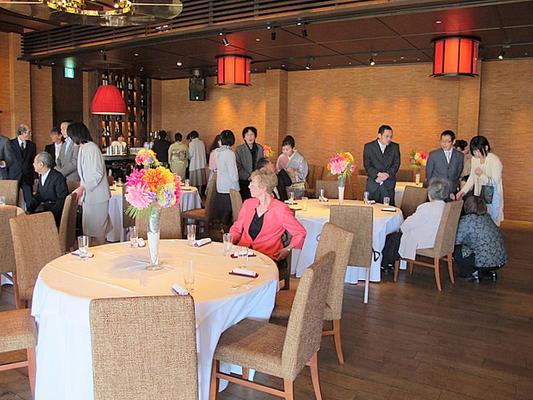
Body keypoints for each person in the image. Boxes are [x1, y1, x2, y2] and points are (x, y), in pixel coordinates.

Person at [230, 167, 306, 262]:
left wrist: (288, 249)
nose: (249, 186)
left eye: (252, 184)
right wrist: (230, 239)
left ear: (264, 188)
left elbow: (300, 232)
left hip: (267, 258)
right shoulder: (248, 204)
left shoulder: (281, 209)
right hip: (242, 254)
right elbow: (237, 228)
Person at [381, 177, 450, 270]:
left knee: (392, 237)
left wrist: (401, 227)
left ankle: (384, 264)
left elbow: (409, 224)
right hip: (437, 240)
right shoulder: (447, 207)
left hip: (424, 241)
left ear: (430, 193)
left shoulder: (426, 207)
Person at [70, 122, 112, 245]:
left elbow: (97, 174)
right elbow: (85, 175)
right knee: (89, 229)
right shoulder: (83, 148)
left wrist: (82, 188)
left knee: (98, 231)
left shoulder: (92, 148)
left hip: (97, 196)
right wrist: (82, 191)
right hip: (89, 196)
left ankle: (102, 253)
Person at [454, 196, 507, 281]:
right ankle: (488, 271)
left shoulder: (467, 220)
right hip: (500, 261)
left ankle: (470, 273)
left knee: (457, 249)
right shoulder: (488, 217)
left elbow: (456, 241)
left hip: (483, 261)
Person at [457, 136, 503, 226]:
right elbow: (472, 177)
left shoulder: (495, 160)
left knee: (492, 222)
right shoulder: (474, 159)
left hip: (492, 197)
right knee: (480, 220)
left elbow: (494, 182)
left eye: (478, 151)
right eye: (474, 151)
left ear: (486, 147)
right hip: (479, 195)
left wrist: (481, 175)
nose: (476, 154)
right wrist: (463, 191)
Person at [27, 152, 68, 226]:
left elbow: (62, 199)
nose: (33, 164)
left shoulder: (58, 177)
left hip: (56, 214)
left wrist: (51, 215)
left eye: (34, 162)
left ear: (41, 164)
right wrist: (29, 210)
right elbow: (39, 196)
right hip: (45, 211)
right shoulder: (41, 176)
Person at [363, 124, 400, 205]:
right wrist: (378, 174)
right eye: (387, 136)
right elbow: (367, 165)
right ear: (379, 135)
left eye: (391, 136)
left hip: (388, 184)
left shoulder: (395, 147)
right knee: (372, 208)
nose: (389, 139)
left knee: (389, 208)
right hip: (373, 183)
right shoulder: (369, 147)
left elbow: (396, 164)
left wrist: (387, 174)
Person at [425, 130, 464, 196]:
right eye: (442, 141)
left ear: (453, 142)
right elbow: (428, 174)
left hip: (451, 191)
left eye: (447, 141)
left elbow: (459, 172)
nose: (444, 144)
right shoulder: (433, 155)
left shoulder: (460, 156)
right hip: (436, 191)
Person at [6, 124, 36, 207]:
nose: (31, 134)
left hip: (27, 176)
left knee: (30, 201)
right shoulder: (10, 144)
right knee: (12, 201)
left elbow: (33, 162)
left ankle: (31, 214)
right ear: (22, 133)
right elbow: (7, 160)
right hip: (13, 176)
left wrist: (35, 176)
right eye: (29, 132)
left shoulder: (32, 145)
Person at [213, 130, 239, 225]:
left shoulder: (217, 152)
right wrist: (237, 181)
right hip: (230, 187)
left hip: (220, 184)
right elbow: (233, 173)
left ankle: (222, 229)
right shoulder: (230, 153)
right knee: (231, 213)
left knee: (222, 212)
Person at [235, 126, 264, 200]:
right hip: (244, 181)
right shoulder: (239, 149)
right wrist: (249, 176)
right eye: (247, 135)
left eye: (252, 134)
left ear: (255, 136)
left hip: (257, 180)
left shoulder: (260, 148)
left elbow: (261, 164)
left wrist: (257, 175)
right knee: (246, 200)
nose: (250, 137)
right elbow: (238, 165)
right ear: (244, 137)